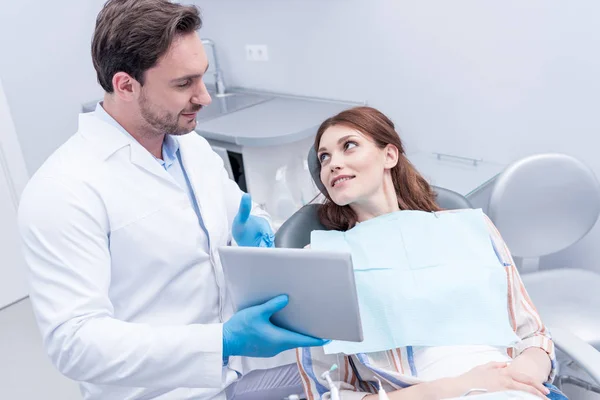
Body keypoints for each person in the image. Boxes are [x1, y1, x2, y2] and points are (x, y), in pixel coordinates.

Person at [17, 1, 326, 399]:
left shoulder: (190, 147)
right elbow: (75, 343)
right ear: (126, 85)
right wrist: (220, 341)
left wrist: (259, 232)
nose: (204, 97)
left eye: (203, 78)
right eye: (184, 84)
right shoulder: (65, 190)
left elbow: (240, 211)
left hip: (236, 378)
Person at [297, 106, 568, 400]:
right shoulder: (321, 260)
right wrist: (460, 385)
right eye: (324, 158)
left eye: (348, 146)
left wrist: (519, 378)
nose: (333, 164)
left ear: (389, 155)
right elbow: (328, 394)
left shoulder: (471, 229)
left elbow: (534, 335)